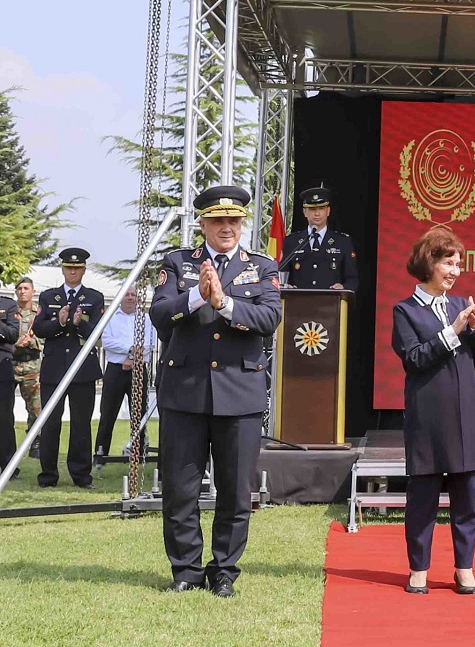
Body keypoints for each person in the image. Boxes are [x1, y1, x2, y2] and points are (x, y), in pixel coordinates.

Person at [150, 185, 281, 597]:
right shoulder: (177, 262)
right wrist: (196, 295)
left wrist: (224, 303)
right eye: (217, 220)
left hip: (238, 393)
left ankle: (224, 569)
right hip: (184, 392)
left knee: (235, 491)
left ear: (243, 224)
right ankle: (186, 570)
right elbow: (158, 313)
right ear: (202, 224)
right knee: (180, 489)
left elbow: (269, 317)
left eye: (234, 221)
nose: (227, 227)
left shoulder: (261, 266)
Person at [391, 227, 475, 596]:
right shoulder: (405, 310)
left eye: (458, 263)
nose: (455, 270)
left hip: (467, 415)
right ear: (429, 262)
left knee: (468, 497)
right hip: (428, 418)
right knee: (423, 499)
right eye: (449, 262)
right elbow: (415, 359)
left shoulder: (460, 302)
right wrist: (453, 330)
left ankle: (464, 568)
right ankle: (419, 568)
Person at [33, 248, 105, 489]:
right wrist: (61, 322)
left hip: (82, 370)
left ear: (83, 270)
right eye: (68, 268)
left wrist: (78, 324)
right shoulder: (48, 296)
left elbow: (97, 332)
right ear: (62, 270)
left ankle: (81, 476)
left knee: (81, 425)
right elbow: (40, 328)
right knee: (50, 424)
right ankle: (48, 476)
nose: (72, 271)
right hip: (54, 370)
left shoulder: (94, 298)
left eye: (77, 268)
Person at [94, 287, 158, 464]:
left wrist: (132, 357)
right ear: (120, 298)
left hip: (138, 369)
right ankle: (100, 454)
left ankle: (138, 453)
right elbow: (107, 342)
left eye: (133, 295)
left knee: (139, 414)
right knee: (107, 413)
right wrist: (129, 350)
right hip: (115, 370)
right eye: (127, 295)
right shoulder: (111, 318)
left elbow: (149, 343)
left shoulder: (146, 319)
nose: (130, 298)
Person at [282, 185, 359, 292]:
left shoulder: (342, 241)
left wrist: (343, 287)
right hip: (298, 303)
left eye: (321, 209)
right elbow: (281, 274)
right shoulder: (292, 241)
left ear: (328, 211)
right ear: (305, 212)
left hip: (331, 303)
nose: (317, 214)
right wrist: (286, 286)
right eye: (312, 209)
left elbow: (353, 280)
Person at [12, 277, 42, 458]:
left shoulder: (39, 312)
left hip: (32, 365)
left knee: (35, 407)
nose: (22, 291)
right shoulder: (9, 310)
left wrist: (31, 341)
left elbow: (47, 335)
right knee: (5, 406)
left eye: (26, 288)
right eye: (19, 289)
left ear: (33, 291)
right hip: (11, 363)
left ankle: (36, 442)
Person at [0, 281, 20, 478]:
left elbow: (13, 334)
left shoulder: (8, 305)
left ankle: (8, 467)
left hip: (2, 366)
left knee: (4, 419)